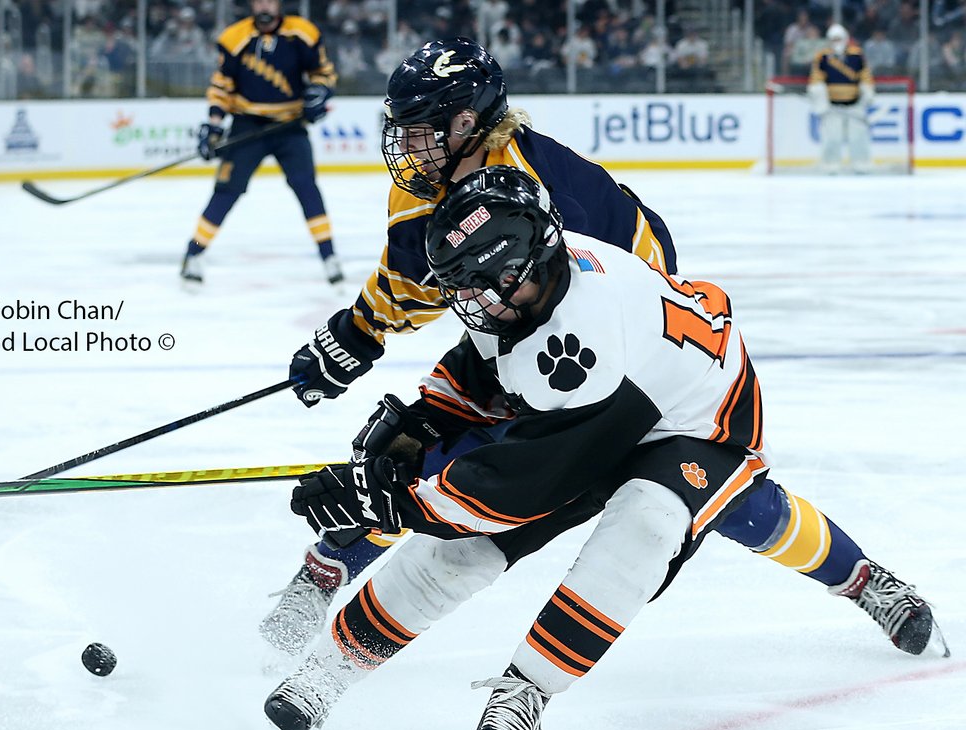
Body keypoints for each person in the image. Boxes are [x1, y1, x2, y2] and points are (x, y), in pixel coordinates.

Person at [262, 38, 940, 673]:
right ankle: (327, 566)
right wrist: (357, 334)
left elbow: (635, 296)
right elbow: (416, 275)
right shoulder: (424, 180)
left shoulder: (557, 194)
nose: (404, 148)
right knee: (415, 449)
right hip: (518, 334)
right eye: (401, 131)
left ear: (467, 122)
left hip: (626, 356)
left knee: (714, 496)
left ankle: (863, 580)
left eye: (419, 130)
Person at [265, 166, 948, 730]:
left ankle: (528, 689)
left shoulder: (581, 333)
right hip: (616, 397)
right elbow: (484, 369)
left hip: (694, 416)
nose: (471, 304)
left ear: (520, 269)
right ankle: (329, 670)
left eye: (480, 289)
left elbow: (520, 488)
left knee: (644, 527)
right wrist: (424, 423)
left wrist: (396, 502)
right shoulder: (515, 284)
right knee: (465, 546)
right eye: (464, 290)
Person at [180, 0, 342, 286]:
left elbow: (324, 73)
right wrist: (214, 125)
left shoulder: (303, 33)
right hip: (248, 124)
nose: (264, 5)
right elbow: (222, 87)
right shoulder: (233, 38)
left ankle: (329, 257)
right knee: (226, 190)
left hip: (289, 125)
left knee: (306, 187)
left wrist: (319, 92)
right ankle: (193, 254)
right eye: (259, 0)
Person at [808, 24, 875, 175]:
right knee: (832, 138)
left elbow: (865, 75)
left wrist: (868, 90)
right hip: (832, 106)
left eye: (839, 39)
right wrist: (817, 93)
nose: (836, 42)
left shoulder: (857, 55)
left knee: (858, 137)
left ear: (845, 39)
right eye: (833, 39)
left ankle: (861, 164)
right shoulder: (823, 57)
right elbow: (816, 79)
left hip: (854, 105)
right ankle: (830, 164)